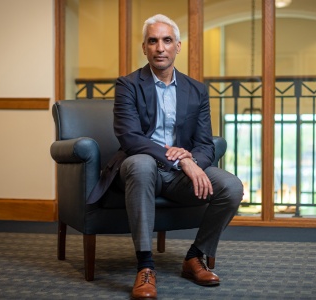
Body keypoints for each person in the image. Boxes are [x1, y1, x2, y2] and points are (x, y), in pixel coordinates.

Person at [88, 14, 243, 299]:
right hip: (138, 171)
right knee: (142, 163)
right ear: (144, 48)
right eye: (153, 41)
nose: (160, 47)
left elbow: (205, 144)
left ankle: (196, 256)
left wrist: (193, 162)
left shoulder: (196, 90)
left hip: (178, 175)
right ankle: (145, 267)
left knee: (231, 186)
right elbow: (130, 138)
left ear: (178, 47)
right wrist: (181, 160)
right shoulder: (128, 85)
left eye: (167, 40)